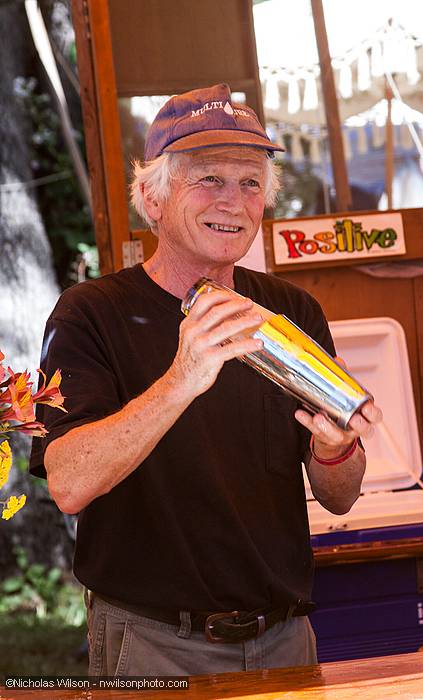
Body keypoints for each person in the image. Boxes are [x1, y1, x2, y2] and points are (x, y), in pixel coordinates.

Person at [30, 83, 382, 676]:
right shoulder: (88, 313)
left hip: (286, 639)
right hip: (153, 644)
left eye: (250, 183)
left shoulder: (291, 312)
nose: (233, 201)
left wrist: (336, 448)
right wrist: (181, 378)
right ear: (153, 197)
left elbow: (340, 495)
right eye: (208, 179)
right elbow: (68, 482)